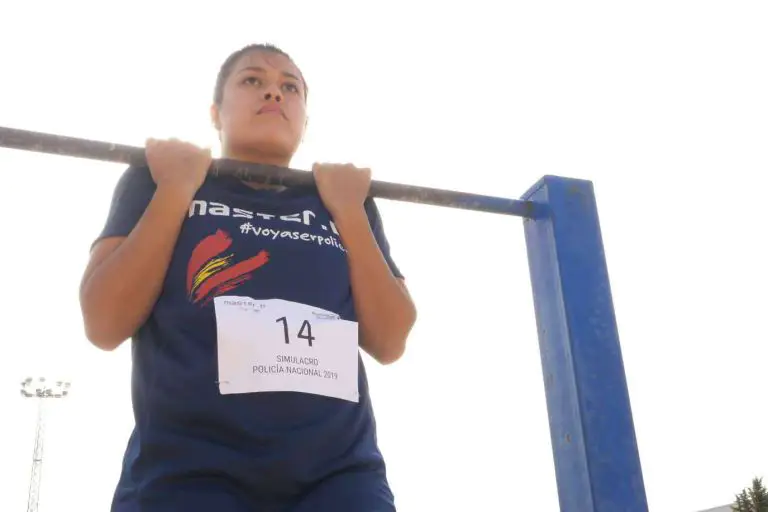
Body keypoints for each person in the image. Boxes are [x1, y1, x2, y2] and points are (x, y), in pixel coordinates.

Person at [79, 43, 417, 512]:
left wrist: (349, 211)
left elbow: (391, 340)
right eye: (252, 80)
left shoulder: (346, 199)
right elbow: (103, 322)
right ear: (215, 113)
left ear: (305, 121)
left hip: (338, 477)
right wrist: (177, 187)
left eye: (290, 87)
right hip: (186, 475)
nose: (274, 93)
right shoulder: (157, 177)